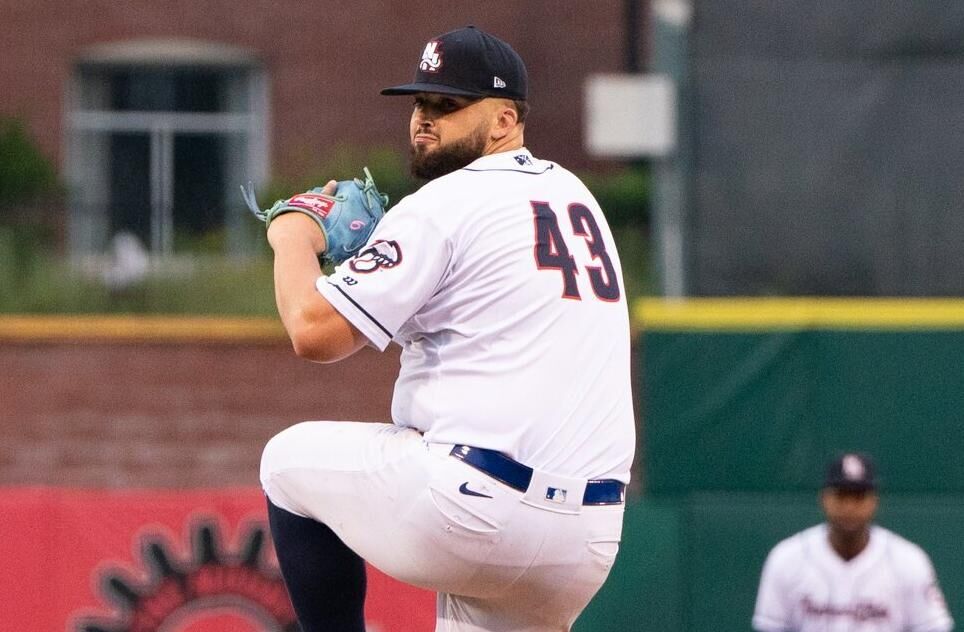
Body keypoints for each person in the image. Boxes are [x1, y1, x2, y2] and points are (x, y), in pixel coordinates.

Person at [258, 25, 635, 632]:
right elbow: (478, 323)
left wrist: (292, 237)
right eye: (420, 103)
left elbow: (313, 332)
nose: (425, 119)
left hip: (473, 509)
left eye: (449, 105)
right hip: (587, 540)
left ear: (505, 118)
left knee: (285, 463)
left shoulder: (445, 203)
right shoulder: (576, 197)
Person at [752, 452, 954, 632]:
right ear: (824, 498)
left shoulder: (908, 561)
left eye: (858, 496)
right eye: (841, 495)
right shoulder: (786, 558)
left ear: (874, 501)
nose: (849, 507)